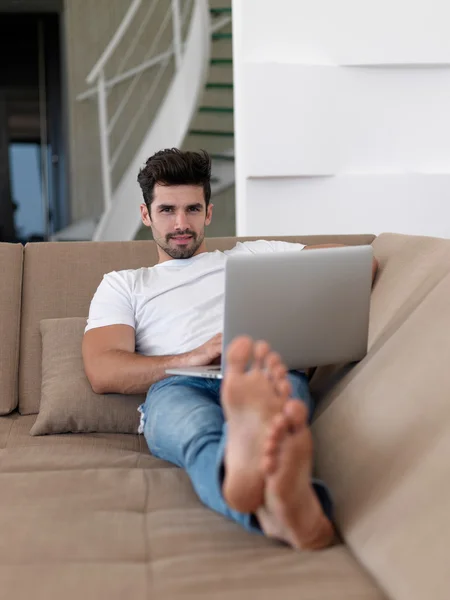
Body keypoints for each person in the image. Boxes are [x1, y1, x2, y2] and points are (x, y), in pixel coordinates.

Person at [83, 148, 378, 550]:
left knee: (259, 416)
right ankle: (279, 499)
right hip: (178, 385)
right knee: (196, 432)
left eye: (192, 209)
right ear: (145, 214)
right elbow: (103, 370)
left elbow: (359, 265)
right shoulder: (125, 283)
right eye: (167, 210)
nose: (181, 223)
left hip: (259, 371)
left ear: (208, 212)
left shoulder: (253, 254)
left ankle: (261, 491)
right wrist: (193, 356)